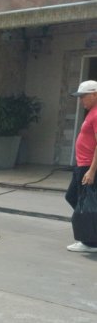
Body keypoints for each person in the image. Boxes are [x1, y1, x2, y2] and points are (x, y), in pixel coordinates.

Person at [65, 79, 97, 253]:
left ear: (95, 94)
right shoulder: (92, 112)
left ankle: (89, 242)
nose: (81, 100)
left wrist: (91, 171)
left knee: (84, 204)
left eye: (84, 96)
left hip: (87, 167)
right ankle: (90, 233)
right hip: (82, 165)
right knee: (74, 197)